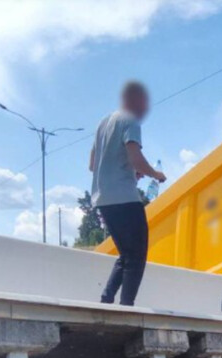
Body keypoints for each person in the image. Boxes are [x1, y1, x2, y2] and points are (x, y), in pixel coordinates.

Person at [90, 81, 166, 306]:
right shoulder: (130, 120)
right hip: (125, 198)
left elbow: (93, 164)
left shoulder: (103, 123)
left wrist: (131, 171)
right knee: (137, 257)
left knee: (125, 254)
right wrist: (154, 173)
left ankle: (106, 299)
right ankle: (127, 308)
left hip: (103, 199)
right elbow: (135, 157)